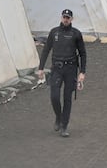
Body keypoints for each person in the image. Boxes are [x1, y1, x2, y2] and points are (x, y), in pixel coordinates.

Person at [38, 9, 87, 137]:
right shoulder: (54, 32)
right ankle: (58, 117)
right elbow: (46, 50)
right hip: (56, 68)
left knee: (67, 98)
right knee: (54, 96)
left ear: (71, 19)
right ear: (61, 18)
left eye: (68, 18)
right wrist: (41, 68)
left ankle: (64, 126)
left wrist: (82, 72)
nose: (66, 19)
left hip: (70, 69)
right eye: (64, 17)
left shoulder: (76, 34)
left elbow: (83, 53)